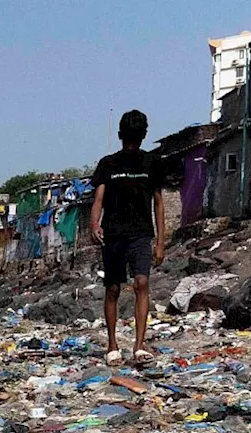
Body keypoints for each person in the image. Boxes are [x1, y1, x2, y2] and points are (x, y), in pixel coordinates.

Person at [89, 109, 165, 366]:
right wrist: (93, 224)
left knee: (141, 283)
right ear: (122, 136)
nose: (133, 143)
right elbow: (98, 199)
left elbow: (158, 203)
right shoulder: (108, 164)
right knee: (112, 288)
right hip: (113, 234)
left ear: (143, 137)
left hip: (141, 234)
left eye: (137, 138)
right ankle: (112, 345)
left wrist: (161, 242)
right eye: (129, 138)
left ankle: (139, 346)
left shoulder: (151, 163)